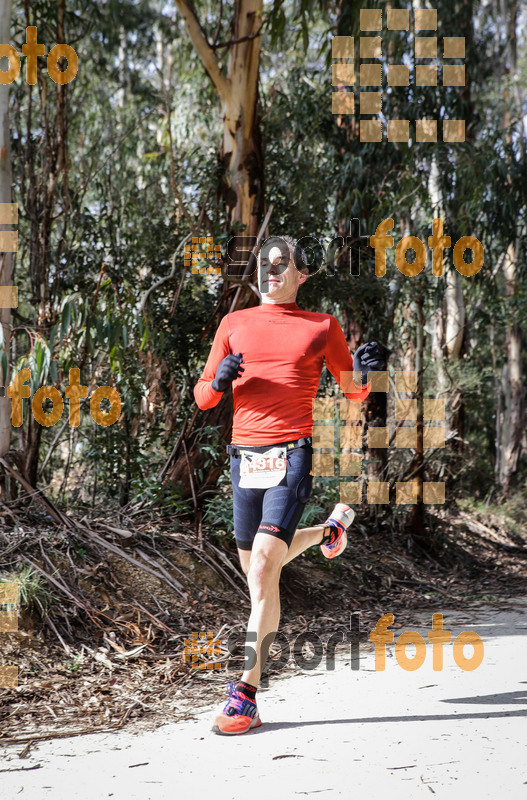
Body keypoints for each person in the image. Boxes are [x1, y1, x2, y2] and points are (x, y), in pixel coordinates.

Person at [193, 236, 385, 735]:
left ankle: (244, 697)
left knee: (261, 565)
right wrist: (219, 383)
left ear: (302, 274)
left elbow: (354, 389)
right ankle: (328, 533)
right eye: (265, 264)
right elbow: (202, 396)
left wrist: (367, 371)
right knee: (262, 575)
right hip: (243, 461)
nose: (270, 271)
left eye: (282, 265)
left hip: (291, 456)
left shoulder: (321, 326)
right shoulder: (234, 325)